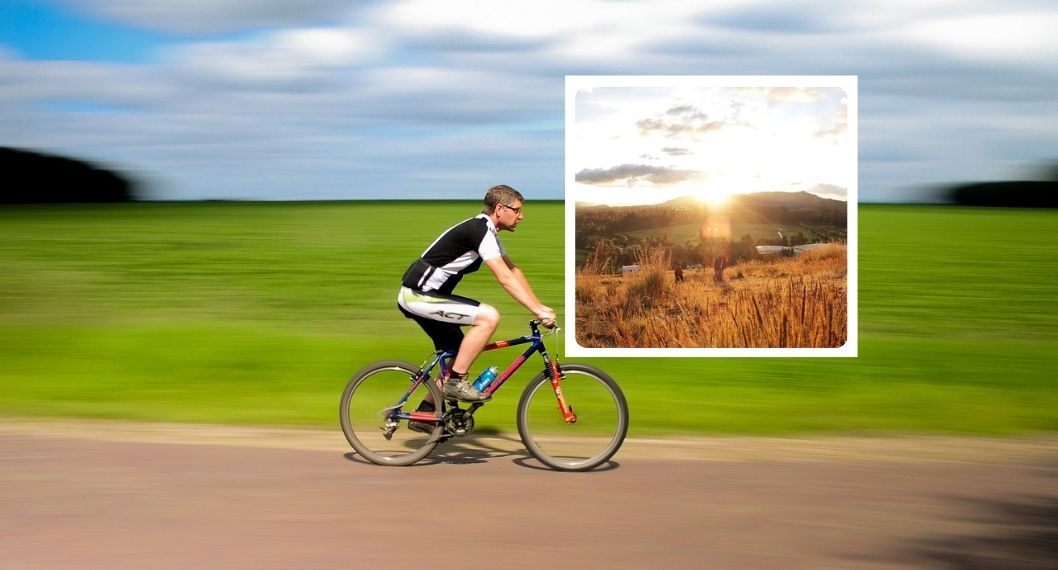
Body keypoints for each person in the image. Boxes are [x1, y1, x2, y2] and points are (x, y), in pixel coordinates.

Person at [397, 185, 556, 417]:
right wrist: (537, 310)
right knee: (489, 317)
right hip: (417, 295)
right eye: (517, 210)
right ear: (500, 209)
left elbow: (514, 272)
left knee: (459, 354)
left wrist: (540, 307)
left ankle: (425, 414)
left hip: (428, 296)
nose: (521, 216)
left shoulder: (488, 233)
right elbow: (504, 278)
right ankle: (457, 382)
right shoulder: (480, 231)